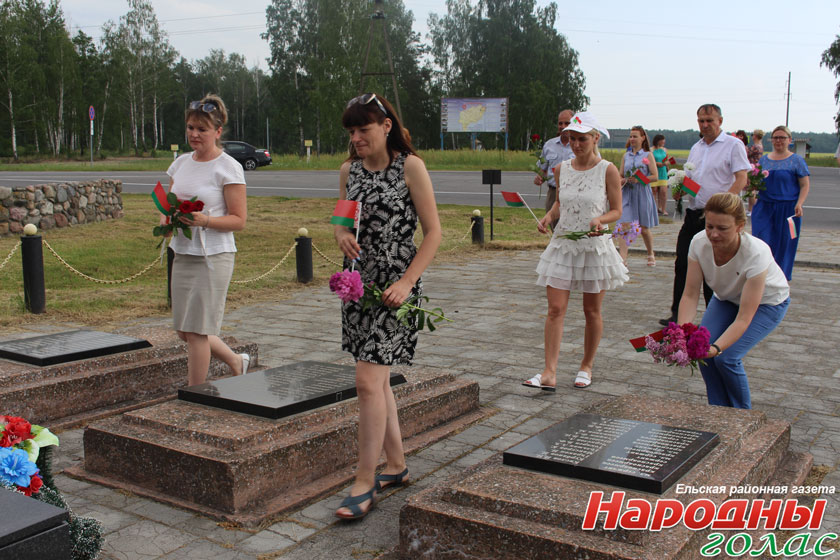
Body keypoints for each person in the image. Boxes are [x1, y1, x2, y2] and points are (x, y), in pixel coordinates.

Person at [333, 93, 441, 519]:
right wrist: (342, 235)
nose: (356, 138)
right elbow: (342, 221)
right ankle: (396, 466)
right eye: (351, 131)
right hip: (358, 287)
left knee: (366, 381)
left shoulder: (410, 167)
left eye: (363, 129)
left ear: (386, 126)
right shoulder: (349, 171)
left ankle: (364, 482)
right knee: (376, 382)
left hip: (397, 288)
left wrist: (408, 282)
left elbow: (433, 233)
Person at [524, 111, 627, 390]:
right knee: (555, 308)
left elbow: (617, 210)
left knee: (591, 310)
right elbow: (561, 202)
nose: (576, 145)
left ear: (595, 139)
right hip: (564, 243)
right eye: (572, 139)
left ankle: (586, 365)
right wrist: (548, 216)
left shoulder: (607, 169)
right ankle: (549, 372)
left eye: (582, 139)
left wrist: (600, 220)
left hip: (593, 247)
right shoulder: (561, 169)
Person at [165, 94, 249, 387]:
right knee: (184, 330)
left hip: (213, 256)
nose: (194, 134)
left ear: (217, 131)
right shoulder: (180, 163)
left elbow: (239, 220)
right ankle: (236, 361)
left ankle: (195, 393)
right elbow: (170, 201)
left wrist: (206, 221)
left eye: (202, 129)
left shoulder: (228, 167)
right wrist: (166, 220)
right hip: (183, 252)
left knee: (198, 332)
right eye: (190, 128)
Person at [678, 192, 790, 409]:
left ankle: (742, 417)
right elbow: (690, 294)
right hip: (727, 298)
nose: (714, 234)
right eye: (709, 226)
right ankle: (719, 411)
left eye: (722, 228)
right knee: (703, 355)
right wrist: (681, 333)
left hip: (768, 303)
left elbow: (744, 318)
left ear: (740, 226)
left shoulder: (756, 253)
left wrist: (716, 348)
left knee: (726, 358)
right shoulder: (698, 243)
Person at [660, 104, 750, 326]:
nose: (705, 125)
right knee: (683, 263)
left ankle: (714, 318)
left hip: (718, 218)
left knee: (714, 268)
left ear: (720, 121)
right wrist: (680, 189)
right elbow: (691, 179)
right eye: (701, 121)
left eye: (709, 120)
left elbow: (741, 178)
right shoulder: (696, 148)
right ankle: (678, 315)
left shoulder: (733, 145)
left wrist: (725, 204)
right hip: (694, 213)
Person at [752, 126, 810, 280]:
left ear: (789, 140)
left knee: (786, 243)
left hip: (788, 210)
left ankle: (780, 279)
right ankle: (761, 276)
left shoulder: (796, 161)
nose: (778, 141)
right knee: (762, 241)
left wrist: (799, 203)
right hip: (765, 207)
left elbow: (804, 185)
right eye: (775, 137)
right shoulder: (764, 160)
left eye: (782, 137)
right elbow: (755, 183)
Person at [618, 126, 659, 266]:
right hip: (627, 193)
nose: (632, 139)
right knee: (624, 224)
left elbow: (655, 176)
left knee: (643, 227)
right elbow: (620, 174)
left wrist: (640, 179)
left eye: (635, 136)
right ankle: (622, 259)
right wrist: (622, 180)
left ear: (642, 138)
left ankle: (650, 253)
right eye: (630, 136)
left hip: (642, 192)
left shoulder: (647, 155)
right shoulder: (626, 156)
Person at [533, 110, 575, 227]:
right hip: (554, 193)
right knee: (554, 228)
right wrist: (539, 178)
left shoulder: (580, 145)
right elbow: (543, 170)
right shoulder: (549, 145)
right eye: (560, 123)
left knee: (573, 227)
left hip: (574, 193)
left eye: (567, 123)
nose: (563, 126)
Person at [746, 129, 764, 215]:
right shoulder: (760, 145)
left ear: (755, 136)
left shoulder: (755, 146)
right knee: (751, 190)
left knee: (751, 190)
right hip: (756, 168)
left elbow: (746, 153)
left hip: (753, 169)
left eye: (753, 135)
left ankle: (752, 209)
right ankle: (750, 209)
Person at [651, 134, 669, 215]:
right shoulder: (651, 150)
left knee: (663, 191)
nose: (664, 142)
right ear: (658, 141)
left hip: (663, 172)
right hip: (654, 171)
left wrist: (667, 164)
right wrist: (656, 163)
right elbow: (649, 160)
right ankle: (655, 209)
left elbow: (667, 159)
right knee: (654, 191)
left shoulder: (665, 150)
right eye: (662, 141)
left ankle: (663, 209)